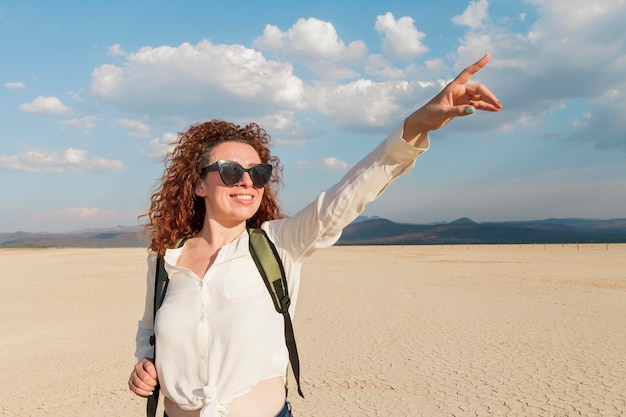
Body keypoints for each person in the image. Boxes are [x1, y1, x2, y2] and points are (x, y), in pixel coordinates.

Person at [128, 54, 503, 417]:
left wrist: (416, 124)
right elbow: (150, 332)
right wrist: (146, 364)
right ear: (198, 185)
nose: (246, 181)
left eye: (258, 173)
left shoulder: (279, 244)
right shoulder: (165, 260)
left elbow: (350, 193)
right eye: (229, 171)